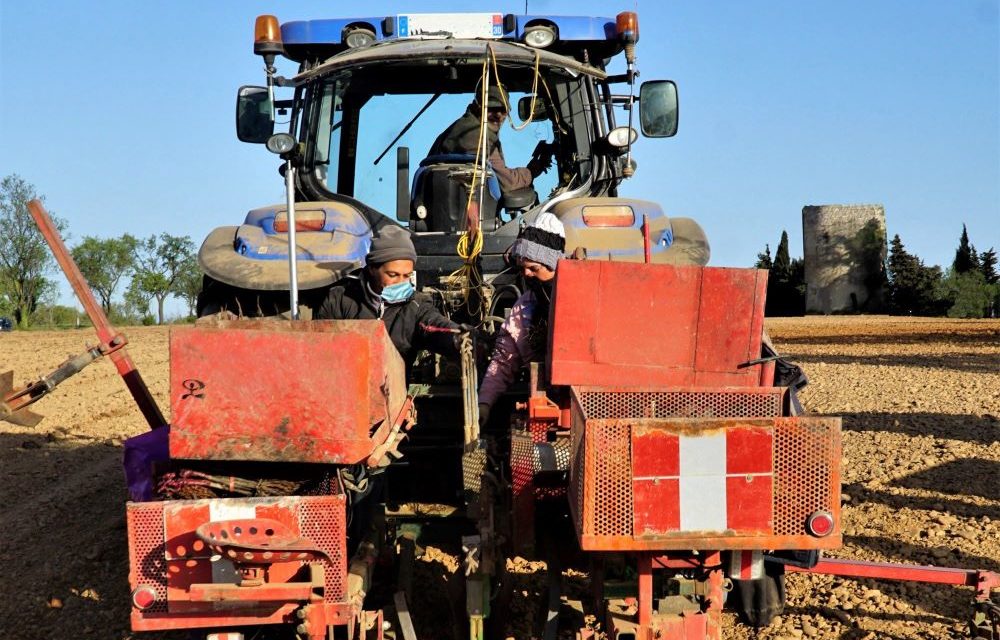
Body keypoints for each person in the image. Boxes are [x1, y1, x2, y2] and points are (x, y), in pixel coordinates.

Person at [315, 225, 460, 364]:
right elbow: (318, 349)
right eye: (393, 275)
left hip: (394, 389)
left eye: (407, 275)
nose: (401, 282)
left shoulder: (416, 306)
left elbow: (435, 326)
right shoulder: (339, 300)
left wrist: (458, 336)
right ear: (372, 268)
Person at [477, 212, 566, 426]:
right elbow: (503, 360)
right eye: (523, 267)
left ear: (554, 264)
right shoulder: (524, 308)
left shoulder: (581, 295)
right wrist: (484, 403)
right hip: (544, 409)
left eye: (533, 268)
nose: (526, 274)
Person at [428, 84, 552, 195]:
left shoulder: (458, 128)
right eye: (491, 109)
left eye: (502, 110)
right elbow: (507, 184)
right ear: (478, 107)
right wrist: (531, 171)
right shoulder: (478, 137)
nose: (498, 116)